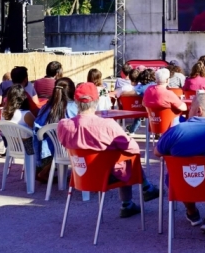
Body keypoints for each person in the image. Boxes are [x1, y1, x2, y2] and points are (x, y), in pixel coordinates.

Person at [57, 83, 159, 218]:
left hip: (80, 174)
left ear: (76, 102)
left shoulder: (63, 125)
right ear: (97, 101)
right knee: (126, 157)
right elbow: (133, 148)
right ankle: (133, 198)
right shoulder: (108, 125)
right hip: (106, 175)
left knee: (121, 157)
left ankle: (133, 199)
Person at [153, 92, 205, 234]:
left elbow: (157, 152)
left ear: (198, 111)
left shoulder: (176, 131)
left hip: (183, 182)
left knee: (177, 175)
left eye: (190, 108)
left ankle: (192, 212)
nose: (188, 111)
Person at [34, 77, 77, 177]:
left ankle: (46, 168)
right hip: (73, 153)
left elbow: (36, 131)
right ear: (72, 91)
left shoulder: (45, 108)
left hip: (48, 153)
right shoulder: (76, 108)